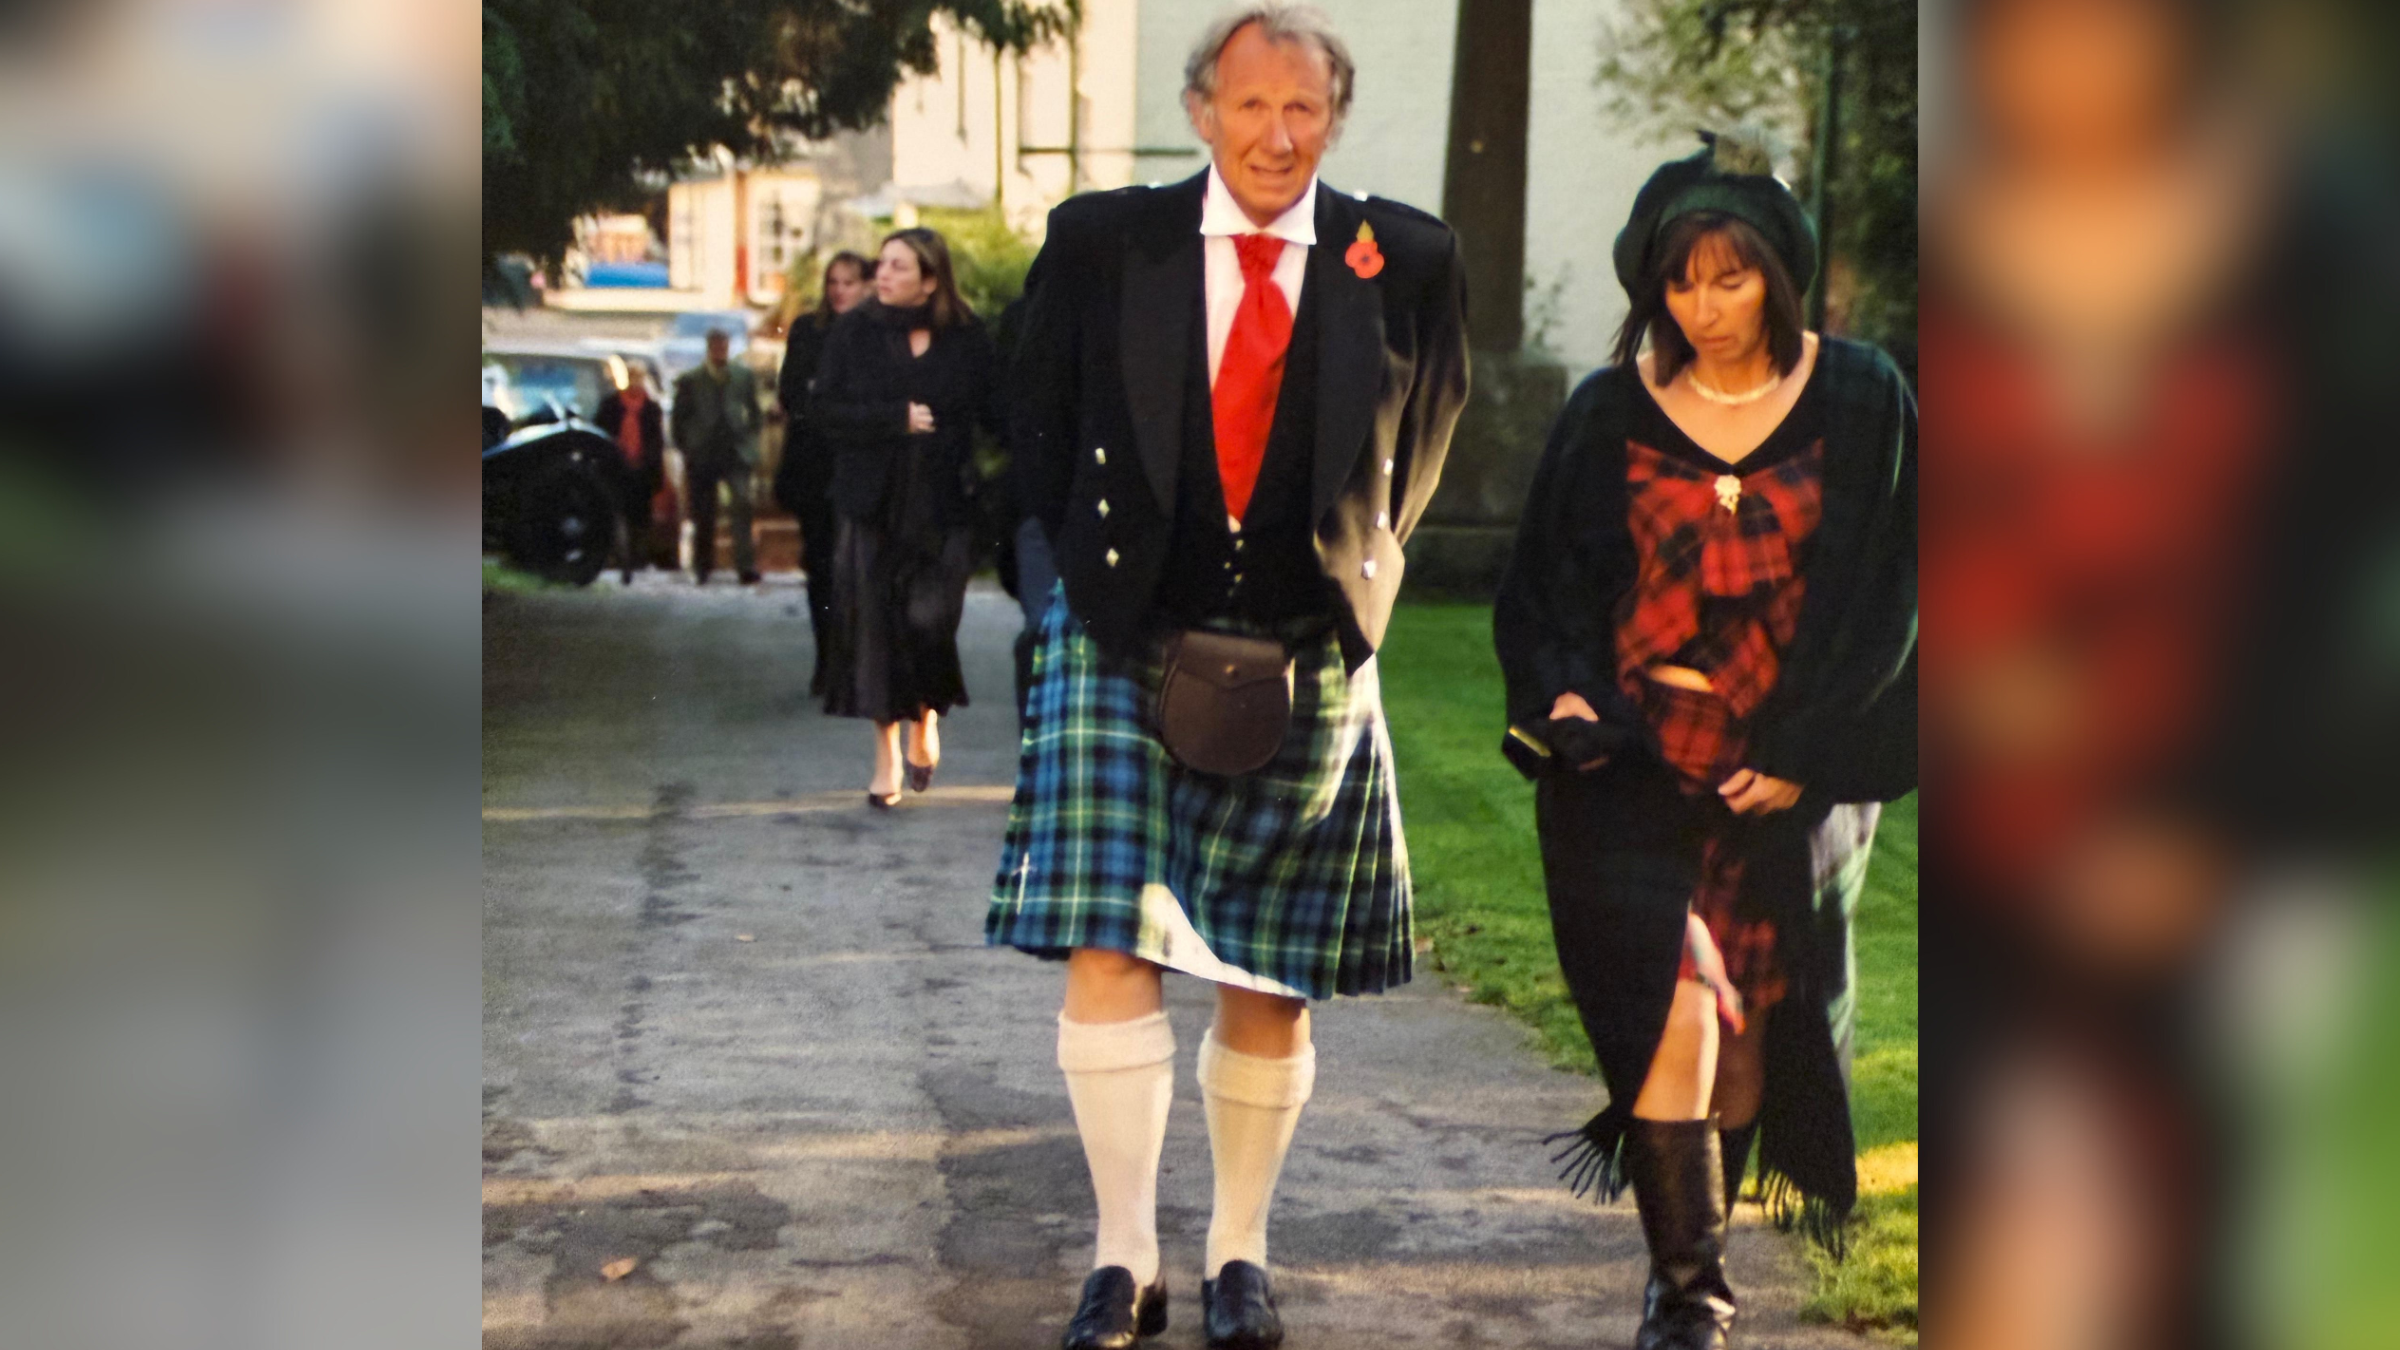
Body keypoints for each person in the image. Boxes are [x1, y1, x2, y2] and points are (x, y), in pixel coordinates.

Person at [984, 7, 1469, 1347]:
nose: (1276, 134)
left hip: (1305, 643)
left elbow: (1424, 437)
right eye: (1250, 105)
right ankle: (1122, 1257)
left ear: (1335, 117)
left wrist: (1358, 577)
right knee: (1109, 940)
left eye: (1302, 107)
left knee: (1272, 970)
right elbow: (1034, 421)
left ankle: (1239, 1252)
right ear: (1201, 112)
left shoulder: (1406, 258)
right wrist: (1074, 583)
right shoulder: (1104, 240)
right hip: (1122, 633)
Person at [1492, 134, 1916, 1350]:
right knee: (1671, 1005)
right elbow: (1544, 590)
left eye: (1730, 280)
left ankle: (1695, 1261)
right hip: (1632, 771)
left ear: (1778, 277)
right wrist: (1568, 702)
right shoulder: (1608, 409)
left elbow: (1896, 597)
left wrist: (1805, 753)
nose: (1704, 307)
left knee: (1749, 1036)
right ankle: (1689, 1299)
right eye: (1680, 283)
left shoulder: (1863, 397)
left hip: (1790, 777)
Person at [810, 228, 995, 807]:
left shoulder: (966, 337)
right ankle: (886, 754)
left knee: (929, 619)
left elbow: (996, 412)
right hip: (873, 503)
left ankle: (926, 714)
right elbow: (823, 410)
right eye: (881, 264)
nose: (882, 275)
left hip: (943, 504)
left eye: (897, 266)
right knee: (876, 628)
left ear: (930, 280)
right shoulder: (854, 332)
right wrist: (894, 419)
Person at [775, 251, 873, 694]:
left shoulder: (876, 333)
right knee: (822, 564)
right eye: (833, 282)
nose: (839, 291)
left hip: (859, 463)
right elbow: (793, 394)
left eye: (848, 282)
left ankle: (855, 660)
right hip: (815, 466)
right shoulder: (807, 330)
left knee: (856, 566)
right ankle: (828, 659)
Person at [671, 328, 763, 585]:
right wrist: (687, 447)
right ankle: (703, 565)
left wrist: (750, 440)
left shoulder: (742, 376)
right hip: (703, 453)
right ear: (709, 348)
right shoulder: (691, 380)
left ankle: (745, 565)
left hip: (735, 451)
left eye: (724, 346)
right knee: (703, 511)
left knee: (742, 505)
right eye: (716, 346)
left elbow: (755, 411)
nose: (721, 351)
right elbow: (679, 419)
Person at [595, 370, 665, 584]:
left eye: (639, 378)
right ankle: (618, 556)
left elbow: (657, 441)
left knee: (641, 516)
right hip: (616, 468)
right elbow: (601, 433)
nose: (636, 382)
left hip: (642, 470)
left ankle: (638, 558)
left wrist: (649, 462)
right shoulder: (610, 405)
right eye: (633, 377)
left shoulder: (651, 408)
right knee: (617, 512)